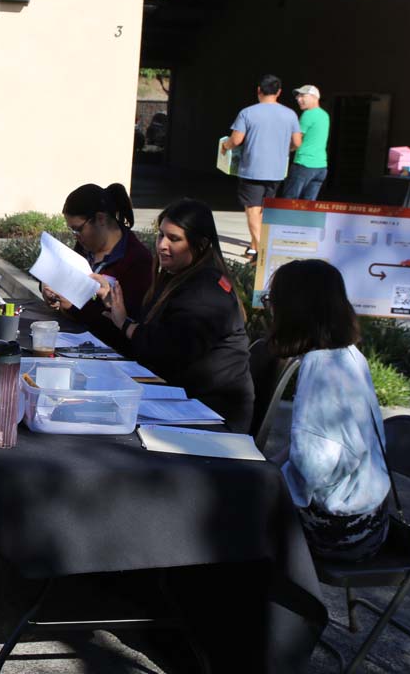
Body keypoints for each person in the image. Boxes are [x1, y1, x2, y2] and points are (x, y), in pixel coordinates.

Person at [92, 198, 254, 432]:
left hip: (211, 416)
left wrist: (126, 325)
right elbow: (156, 333)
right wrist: (117, 309)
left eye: (174, 239)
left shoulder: (207, 291)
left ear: (201, 244)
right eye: (161, 235)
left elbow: (168, 351)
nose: (162, 245)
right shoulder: (177, 274)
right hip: (183, 400)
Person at [266, 259, 390, 561]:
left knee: (225, 510)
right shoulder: (347, 354)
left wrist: (266, 478)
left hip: (339, 530)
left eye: (273, 300)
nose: (269, 308)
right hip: (369, 516)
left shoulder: (321, 368)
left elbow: (313, 468)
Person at [41, 183, 153, 346]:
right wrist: (47, 286)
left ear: (100, 218)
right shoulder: (86, 246)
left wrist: (72, 307)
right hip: (70, 340)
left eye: (78, 229)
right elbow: (63, 274)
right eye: (72, 231)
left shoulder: (136, 260)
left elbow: (123, 323)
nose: (76, 237)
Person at [220, 75, 302, 261]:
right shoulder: (290, 114)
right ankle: (254, 246)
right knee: (264, 211)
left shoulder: (247, 113)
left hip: (252, 170)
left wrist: (225, 147)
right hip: (277, 172)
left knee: (252, 210)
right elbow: (297, 142)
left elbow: (236, 140)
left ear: (258, 90)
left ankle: (263, 250)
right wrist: (284, 149)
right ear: (279, 92)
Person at [281, 85, 329, 201]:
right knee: (308, 207)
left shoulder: (308, 114)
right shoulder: (324, 115)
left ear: (314, 97)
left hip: (304, 165)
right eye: (298, 96)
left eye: (303, 96)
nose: (298, 99)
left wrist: (284, 150)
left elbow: (296, 141)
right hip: (321, 167)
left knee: (288, 203)